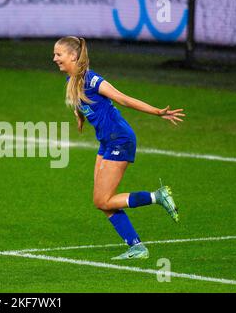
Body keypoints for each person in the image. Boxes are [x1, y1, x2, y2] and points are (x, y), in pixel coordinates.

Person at [53, 36, 185, 260]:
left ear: (73, 56)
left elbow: (122, 98)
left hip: (120, 140)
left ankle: (157, 197)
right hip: (107, 141)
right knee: (102, 201)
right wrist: (80, 118)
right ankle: (136, 247)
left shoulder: (92, 79)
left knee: (101, 200)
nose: (54, 58)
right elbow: (83, 105)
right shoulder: (72, 82)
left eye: (58, 54)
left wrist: (156, 112)